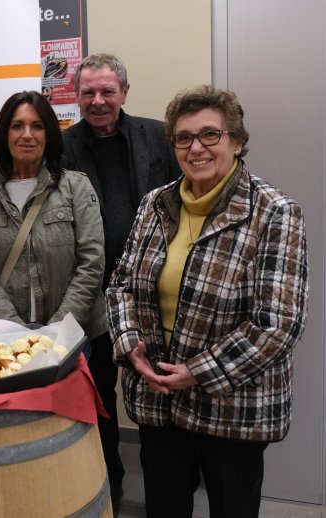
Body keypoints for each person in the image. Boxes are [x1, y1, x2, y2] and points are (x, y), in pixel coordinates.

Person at [106, 85, 309, 518]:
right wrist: (128, 345)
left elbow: (278, 323)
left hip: (232, 409)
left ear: (236, 141)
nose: (195, 147)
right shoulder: (154, 204)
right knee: (164, 508)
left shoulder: (274, 212)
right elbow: (120, 284)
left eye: (210, 135)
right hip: (159, 401)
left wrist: (196, 373)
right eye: (183, 137)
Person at [60, 53, 182, 513]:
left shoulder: (158, 137)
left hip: (153, 298)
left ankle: (166, 494)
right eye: (88, 92)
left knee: (156, 398)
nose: (98, 101)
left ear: (124, 93)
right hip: (90, 297)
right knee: (98, 399)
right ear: (76, 96)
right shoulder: (62, 145)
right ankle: (108, 480)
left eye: (107, 91)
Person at [0, 90, 105, 340]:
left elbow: (91, 263)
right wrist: (14, 332)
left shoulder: (76, 187)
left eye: (37, 126)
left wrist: (58, 330)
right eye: (17, 126)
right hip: (8, 338)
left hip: (70, 333)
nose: (27, 135)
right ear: (4, 135)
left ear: (49, 134)